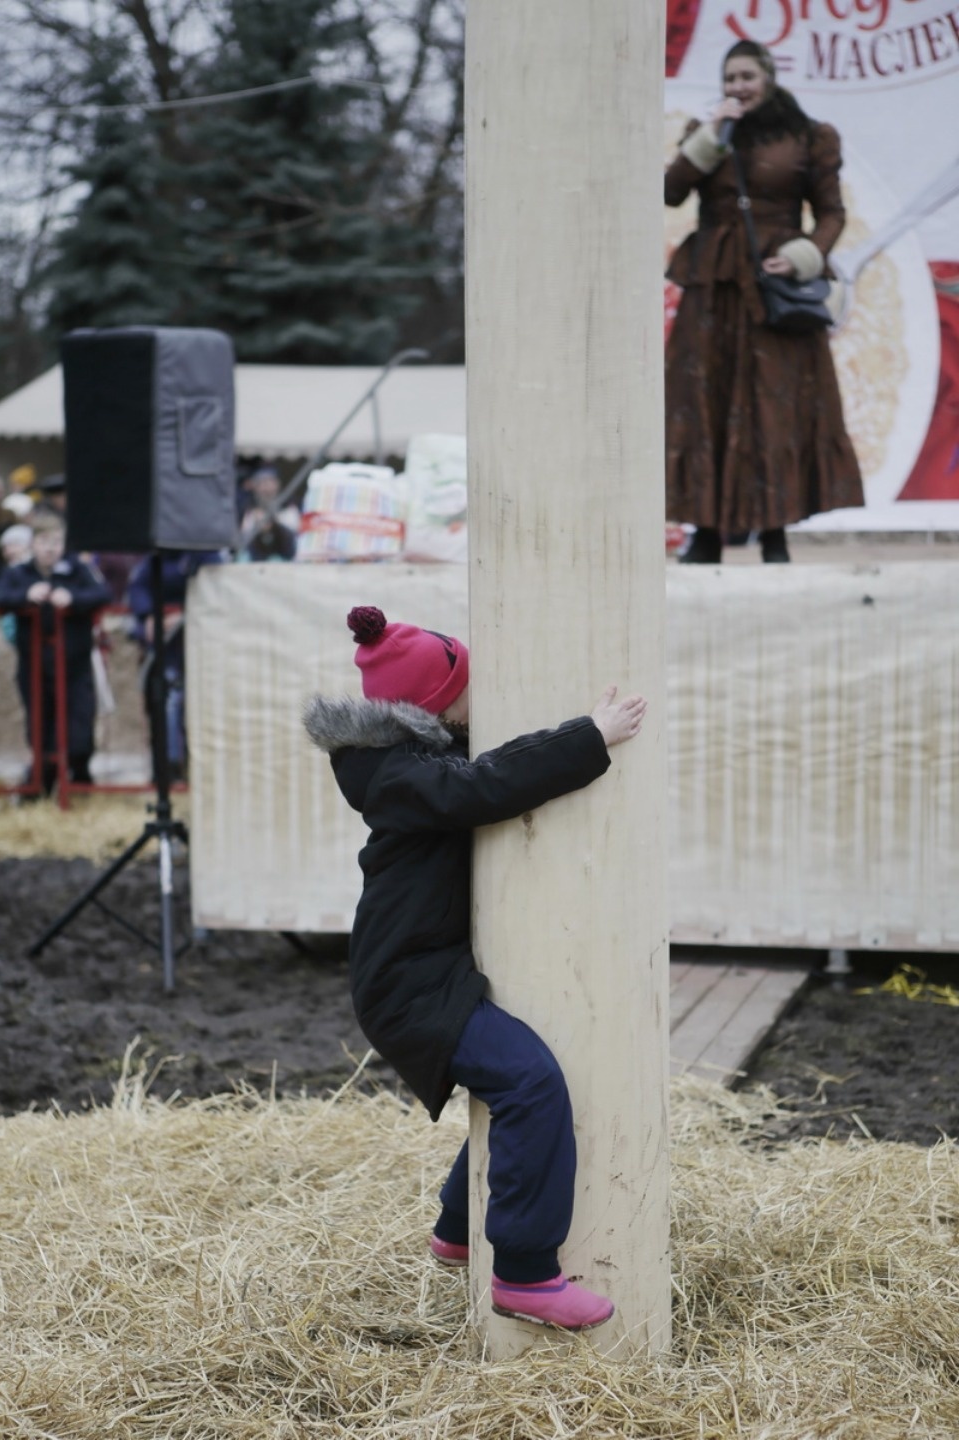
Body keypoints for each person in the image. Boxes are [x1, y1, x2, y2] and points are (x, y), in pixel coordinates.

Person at [304, 605, 647, 1332]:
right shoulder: (400, 776)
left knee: (510, 1087)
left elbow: (476, 774)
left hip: (426, 976)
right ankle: (525, 1273)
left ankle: (458, 1227)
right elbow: (484, 786)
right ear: (434, 705)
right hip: (410, 989)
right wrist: (588, 737)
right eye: (465, 684)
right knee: (530, 1081)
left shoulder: (403, 763)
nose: (478, 694)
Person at [664, 39, 864, 564]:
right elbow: (671, 190)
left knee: (776, 407)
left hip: (775, 291)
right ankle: (705, 531)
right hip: (712, 288)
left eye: (747, 77)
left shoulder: (809, 136)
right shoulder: (707, 134)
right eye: (730, 79)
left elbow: (831, 214)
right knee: (705, 404)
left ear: (769, 77)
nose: (738, 87)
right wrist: (710, 136)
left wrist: (805, 256)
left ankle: (775, 534)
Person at [0, 512, 111, 793]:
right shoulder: (20, 573)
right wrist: (26, 595)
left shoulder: (76, 569)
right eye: (44, 541)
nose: (50, 548)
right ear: (33, 544)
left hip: (75, 665)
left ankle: (80, 780)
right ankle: (42, 784)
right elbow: (3, 596)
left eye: (57, 541)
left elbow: (103, 593)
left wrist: (73, 598)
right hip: (35, 665)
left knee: (79, 727)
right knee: (40, 726)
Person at [127, 550, 224, 782]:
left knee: (199, 708)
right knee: (165, 705)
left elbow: (216, 590)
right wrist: (149, 617)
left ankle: (198, 774)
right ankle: (167, 771)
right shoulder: (155, 558)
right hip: (166, 651)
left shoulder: (206, 555)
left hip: (204, 647)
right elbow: (138, 587)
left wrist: (185, 613)